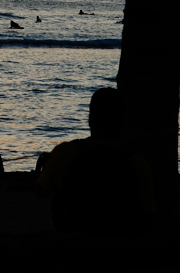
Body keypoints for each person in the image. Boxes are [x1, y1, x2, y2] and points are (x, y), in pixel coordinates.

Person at [36, 88, 155, 233]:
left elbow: (40, 191)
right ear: (122, 122)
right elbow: (146, 216)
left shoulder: (64, 153)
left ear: (90, 120)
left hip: (68, 243)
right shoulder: (137, 164)